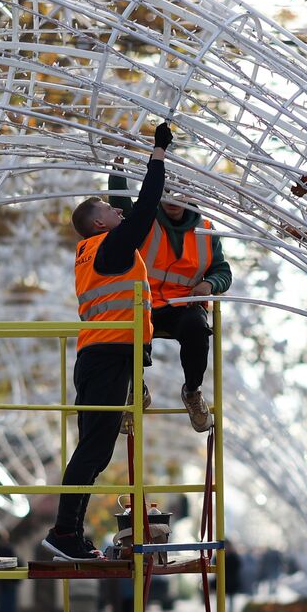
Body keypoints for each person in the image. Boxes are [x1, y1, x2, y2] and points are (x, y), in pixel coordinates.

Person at [41, 122, 172, 561]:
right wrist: (157, 152)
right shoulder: (111, 248)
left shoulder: (96, 251)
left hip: (102, 356)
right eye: (114, 212)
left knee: (95, 450)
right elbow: (146, 207)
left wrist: (118, 168)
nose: (122, 213)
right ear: (100, 222)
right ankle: (63, 532)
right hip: (107, 356)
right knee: (94, 448)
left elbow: (128, 208)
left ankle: (68, 533)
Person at [107, 164, 233, 433]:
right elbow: (119, 201)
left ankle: (192, 391)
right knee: (126, 326)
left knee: (197, 328)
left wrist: (209, 284)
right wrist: (117, 167)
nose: (173, 200)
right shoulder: (145, 219)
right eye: (166, 192)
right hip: (145, 302)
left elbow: (222, 270)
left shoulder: (207, 230)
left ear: (190, 196)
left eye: (179, 193)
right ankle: (134, 389)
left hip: (183, 306)